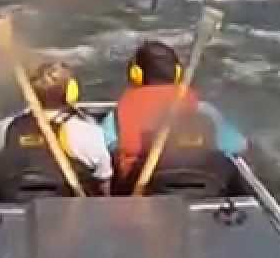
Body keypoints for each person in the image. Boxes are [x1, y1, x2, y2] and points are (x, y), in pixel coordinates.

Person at [102, 40, 247, 194]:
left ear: (136, 74)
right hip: (204, 187)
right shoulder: (202, 109)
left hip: (143, 190)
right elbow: (238, 145)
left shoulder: (119, 114)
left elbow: (101, 149)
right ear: (178, 73)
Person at [0, 61, 113, 200]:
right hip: (69, 209)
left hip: (19, 207)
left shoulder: (10, 126)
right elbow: (103, 180)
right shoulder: (87, 132)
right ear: (71, 92)